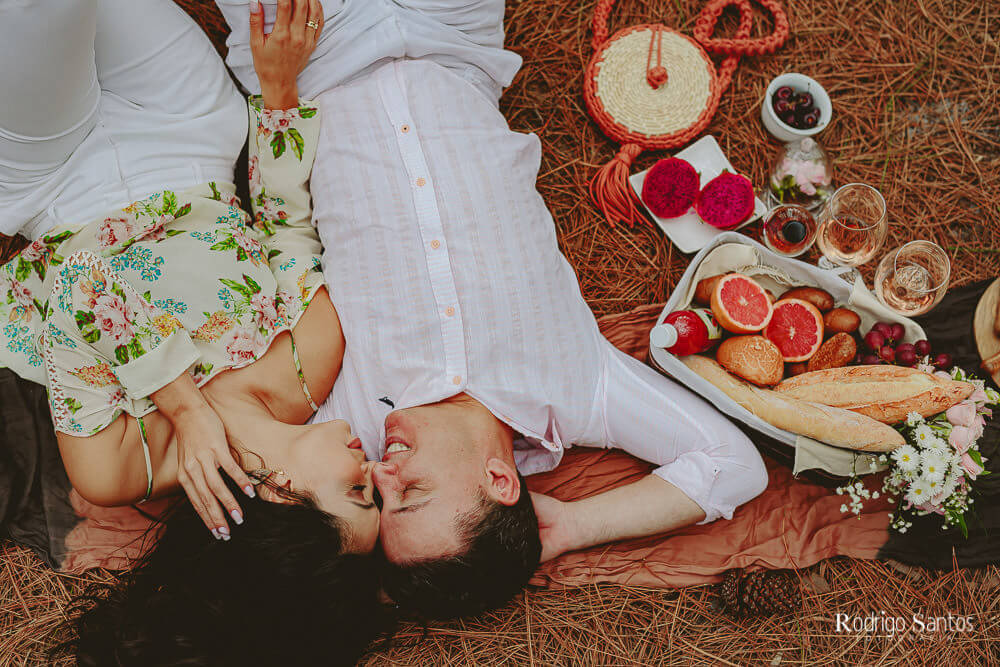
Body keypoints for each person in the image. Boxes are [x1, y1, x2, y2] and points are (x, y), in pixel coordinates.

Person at [216, 0, 770, 620]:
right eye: (412, 492)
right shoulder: (580, 391)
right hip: (452, 39)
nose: (379, 476)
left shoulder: (346, 427)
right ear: (500, 481)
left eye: (378, 501)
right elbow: (733, 466)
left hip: (314, 56)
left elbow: (242, 448)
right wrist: (572, 526)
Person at [0, 0, 387, 661]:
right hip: (188, 129)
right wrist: (278, 90)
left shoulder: (117, 467)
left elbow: (76, 287)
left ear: (284, 497)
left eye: (358, 492)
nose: (370, 467)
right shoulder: (312, 360)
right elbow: (285, 226)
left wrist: (186, 408)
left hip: (55, 183)